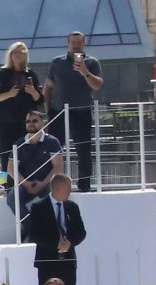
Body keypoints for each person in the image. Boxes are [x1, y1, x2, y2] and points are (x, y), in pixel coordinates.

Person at [47, 31, 104, 190]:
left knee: (83, 149)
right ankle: (54, 184)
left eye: (79, 43)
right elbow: (49, 86)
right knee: (55, 150)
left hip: (82, 111)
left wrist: (85, 71)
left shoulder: (92, 62)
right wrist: (48, 109)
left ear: (84, 43)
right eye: (74, 43)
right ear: (68, 43)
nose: (76, 46)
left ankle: (84, 184)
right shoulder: (56, 62)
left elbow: (97, 85)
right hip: (58, 111)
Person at [20, 172, 85, 285]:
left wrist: (69, 243)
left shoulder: (72, 207)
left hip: (68, 262)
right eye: (68, 189)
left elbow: (81, 232)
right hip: (47, 263)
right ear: (57, 189)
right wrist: (56, 244)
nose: (70, 192)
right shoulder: (38, 208)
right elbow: (34, 234)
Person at [0, 42, 44, 166]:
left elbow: (40, 99)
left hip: (26, 122)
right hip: (5, 122)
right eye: (15, 52)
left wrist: (32, 92)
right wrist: (9, 94)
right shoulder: (2, 74)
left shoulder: (30, 74)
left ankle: (25, 183)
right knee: (6, 157)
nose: (18, 55)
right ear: (10, 55)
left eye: (21, 52)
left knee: (27, 155)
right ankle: (5, 183)